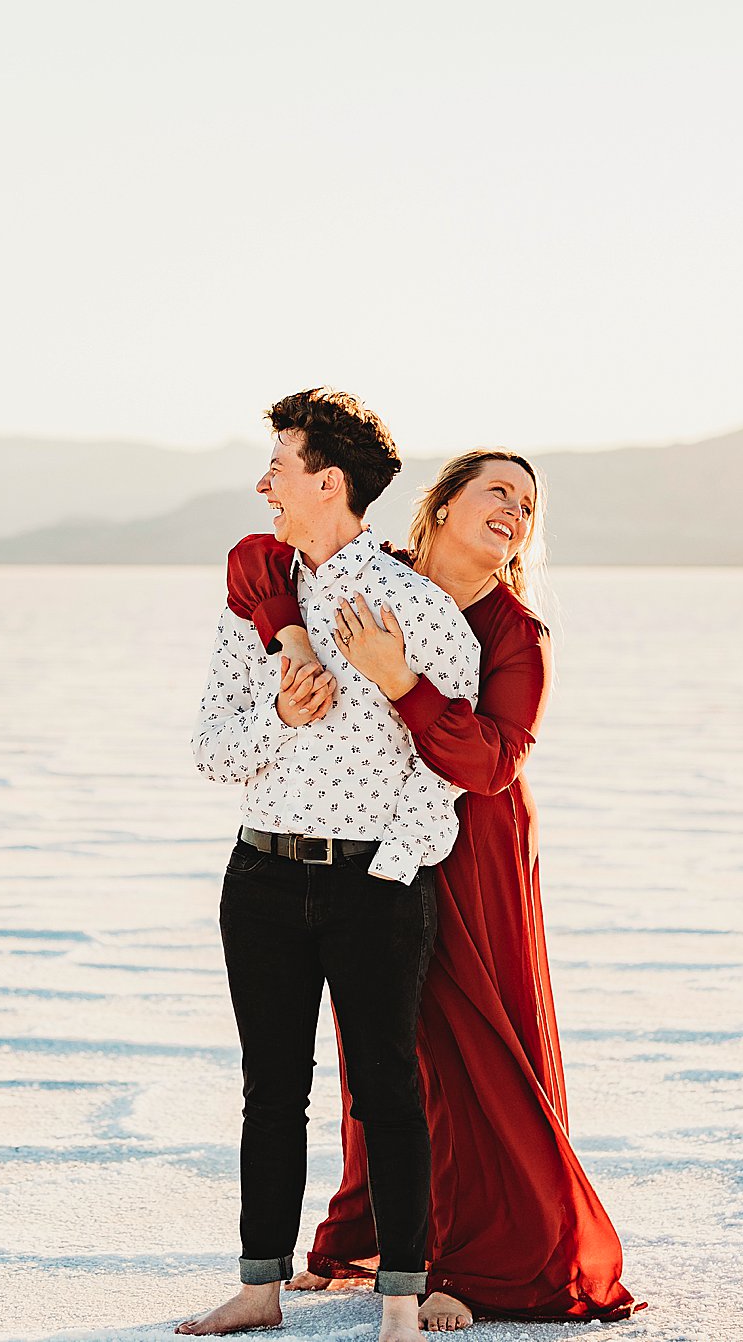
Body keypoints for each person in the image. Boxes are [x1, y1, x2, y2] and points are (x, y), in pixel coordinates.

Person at [223, 449, 640, 1329]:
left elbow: (491, 761)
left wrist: (399, 681)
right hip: (365, 844)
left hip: (475, 849)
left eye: (529, 505)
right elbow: (256, 561)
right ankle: (376, 1233)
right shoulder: (384, 579)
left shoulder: (519, 634)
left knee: (464, 1044)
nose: (516, 512)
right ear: (443, 504)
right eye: (499, 491)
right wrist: (292, 638)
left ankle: (462, 1261)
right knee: (379, 1051)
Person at [181, 389, 481, 1342]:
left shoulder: (420, 612)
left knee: (389, 1089)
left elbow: (450, 768)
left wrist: (391, 872)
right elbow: (210, 747)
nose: (264, 480)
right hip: (260, 881)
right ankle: (259, 1287)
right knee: (270, 1088)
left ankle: (399, 1299)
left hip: (376, 887)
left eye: (280, 460)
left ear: (328, 481)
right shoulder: (256, 603)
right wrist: (282, 714)